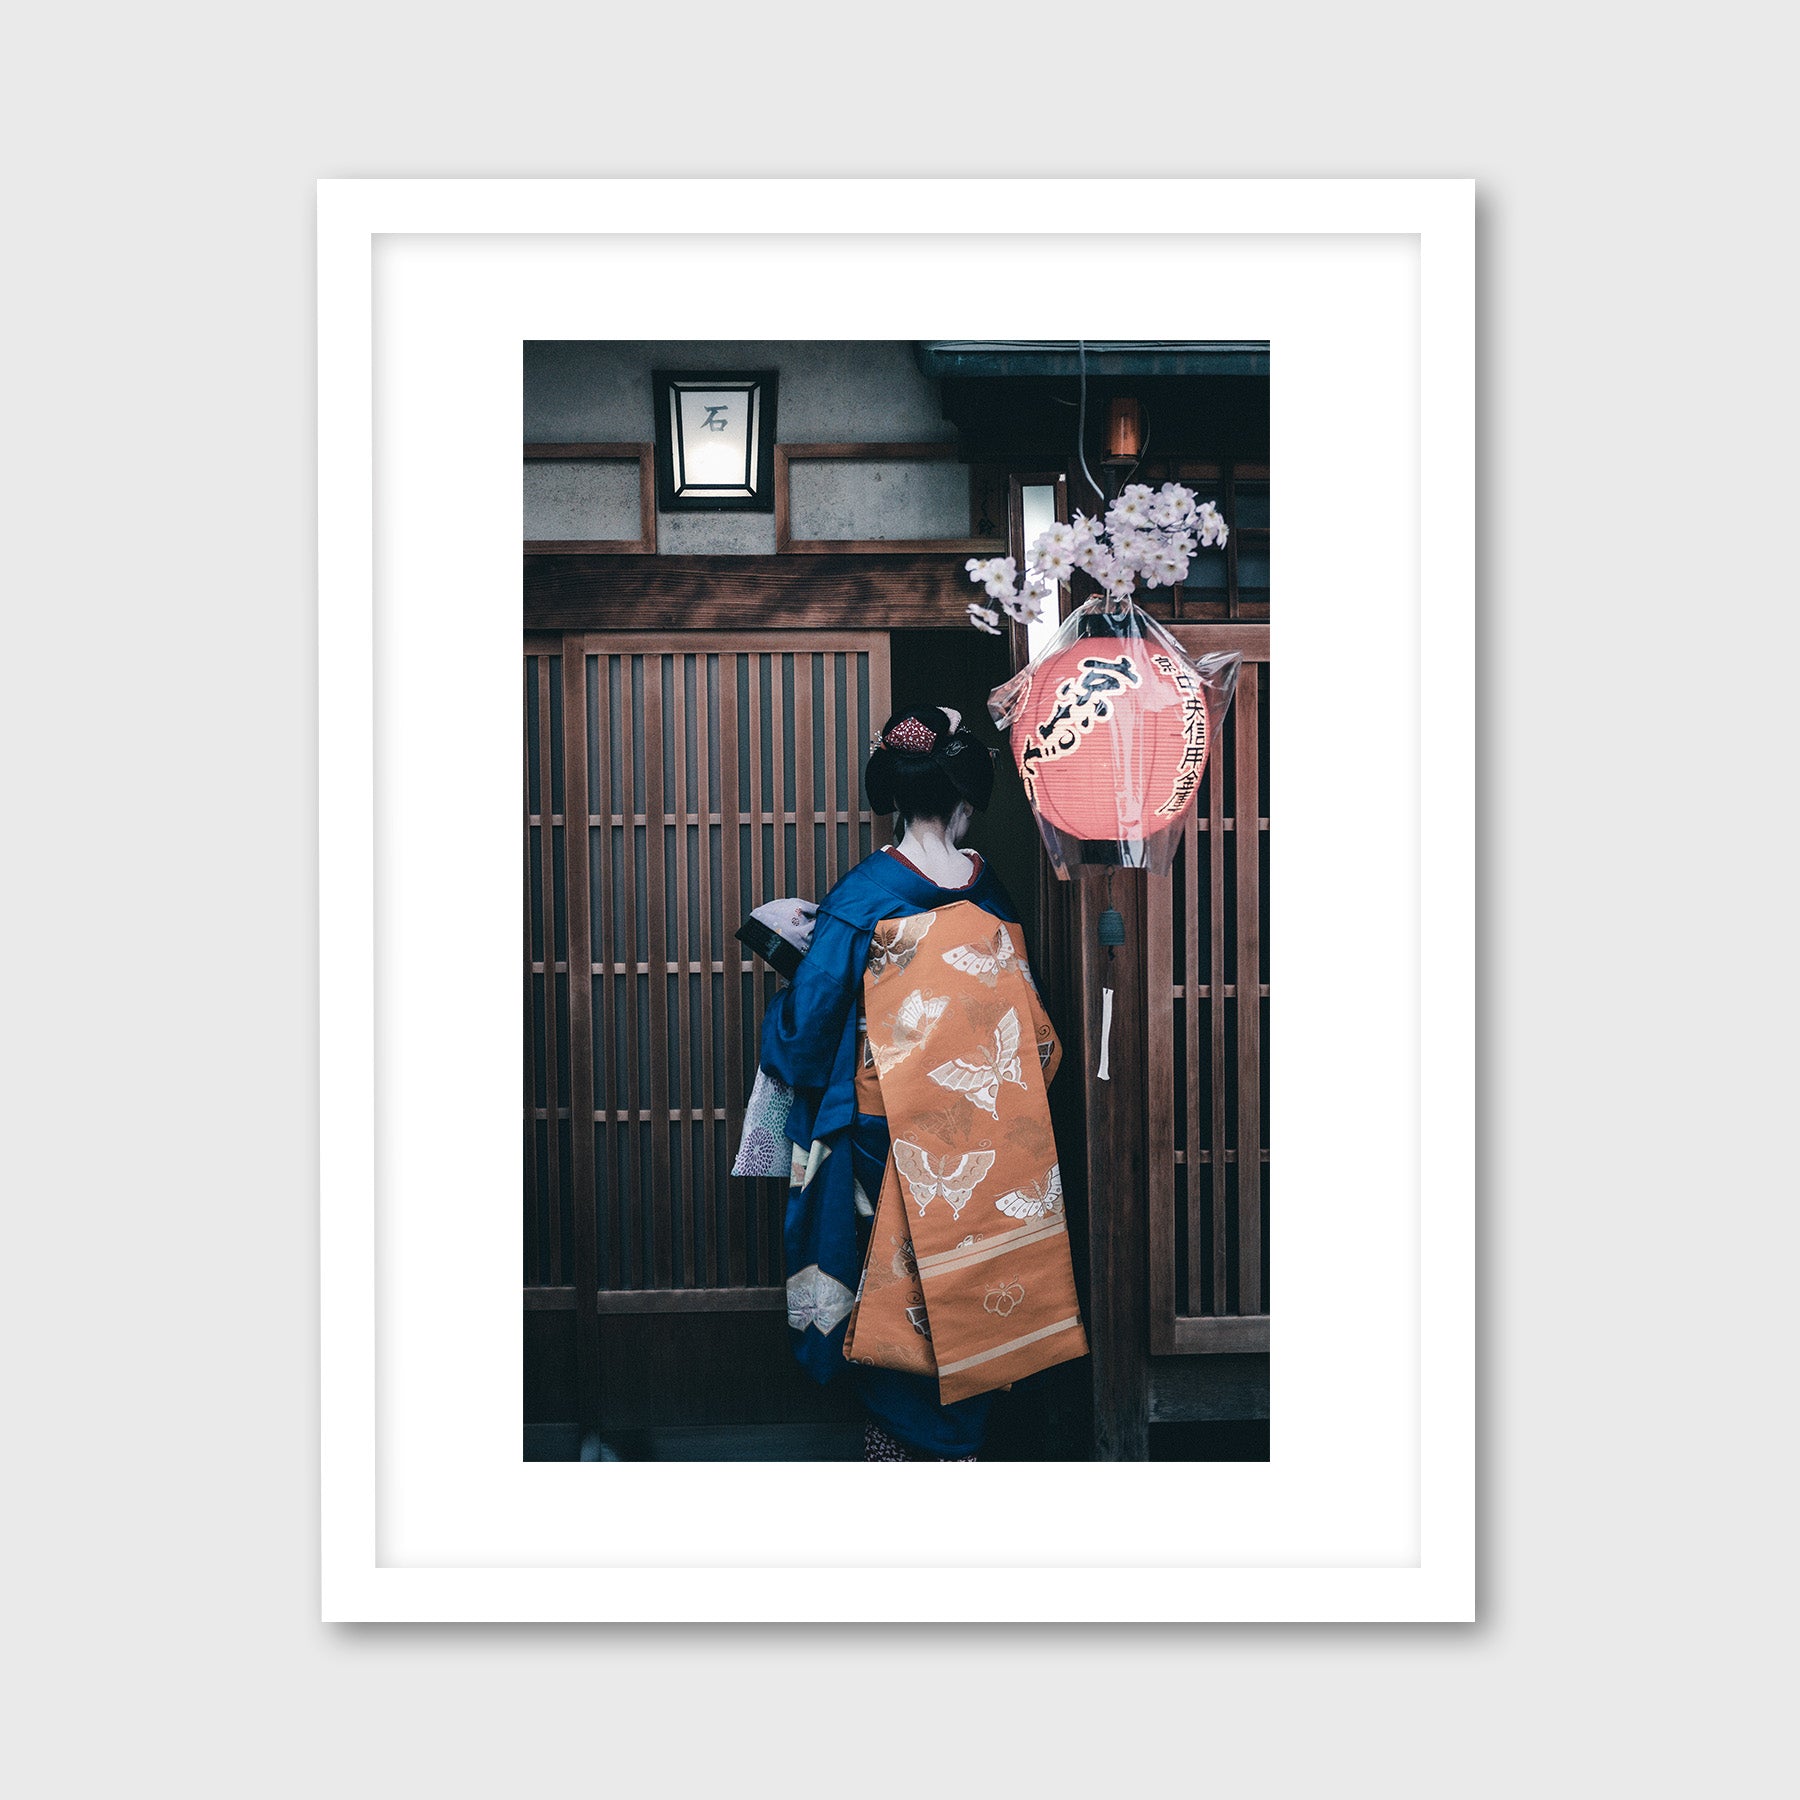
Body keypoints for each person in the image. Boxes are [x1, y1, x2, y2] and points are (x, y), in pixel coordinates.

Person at [759, 705, 1075, 1461]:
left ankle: (901, 1458)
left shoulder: (863, 896)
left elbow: (803, 1041)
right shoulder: (988, 891)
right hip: (987, 1139)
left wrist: (786, 961)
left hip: (889, 1141)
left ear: (892, 799)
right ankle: (961, 1451)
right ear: (967, 800)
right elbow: (1031, 1030)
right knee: (973, 1282)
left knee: (896, 1290)